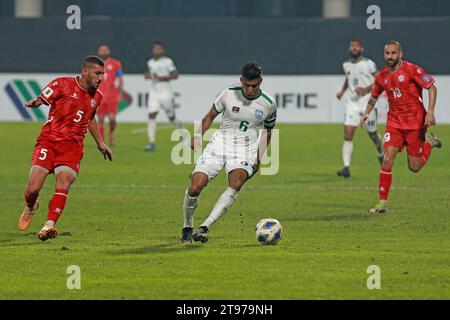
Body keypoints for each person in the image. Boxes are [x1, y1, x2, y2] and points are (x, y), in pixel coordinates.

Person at [179, 61, 277, 244]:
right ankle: (187, 226)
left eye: (254, 86)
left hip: (245, 150)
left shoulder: (269, 104)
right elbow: (210, 116)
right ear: (241, 80)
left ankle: (204, 227)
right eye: (246, 85)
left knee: (236, 182)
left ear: (261, 82)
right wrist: (198, 135)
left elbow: (268, 131)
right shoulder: (228, 93)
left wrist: (258, 159)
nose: (249, 90)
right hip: (220, 144)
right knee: (195, 187)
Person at [17, 56, 113, 241]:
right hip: (49, 141)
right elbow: (42, 98)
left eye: (102, 74)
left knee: (64, 183)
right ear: (85, 71)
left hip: (72, 146)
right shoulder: (62, 84)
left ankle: (49, 225)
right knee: (32, 189)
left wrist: (100, 142)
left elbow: (89, 117)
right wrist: (36, 102)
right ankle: (31, 206)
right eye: (97, 73)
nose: (101, 78)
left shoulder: (97, 96)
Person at [361, 40, 441, 213]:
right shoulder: (381, 76)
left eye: (393, 53)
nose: (390, 56)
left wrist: (431, 112)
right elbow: (374, 96)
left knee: (415, 167)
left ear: (400, 54)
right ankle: (382, 203)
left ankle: (429, 143)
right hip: (395, 123)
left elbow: (432, 87)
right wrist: (366, 112)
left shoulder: (412, 70)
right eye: (387, 53)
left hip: (415, 124)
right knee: (387, 158)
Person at [336, 39, 383, 178]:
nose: (354, 48)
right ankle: (346, 167)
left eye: (356, 46)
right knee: (347, 136)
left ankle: (381, 153)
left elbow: (380, 80)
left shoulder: (369, 64)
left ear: (362, 49)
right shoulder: (346, 65)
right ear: (349, 49)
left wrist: (366, 89)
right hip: (352, 105)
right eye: (352, 46)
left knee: (373, 135)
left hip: (368, 105)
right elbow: (348, 78)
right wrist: (343, 91)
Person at [144, 41, 183, 151]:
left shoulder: (168, 62)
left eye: (158, 49)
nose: (156, 50)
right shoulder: (150, 62)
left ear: (163, 50)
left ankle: (182, 132)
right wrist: (148, 76)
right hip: (154, 92)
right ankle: (151, 143)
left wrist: (162, 77)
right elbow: (151, 75)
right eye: (155, 48)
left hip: (166, 92)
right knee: (151, 114)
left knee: (171, 118)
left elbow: (175, 75)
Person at [96, 44, 124, 147]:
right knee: (100, 119)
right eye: (101, 50)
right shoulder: (94, 65)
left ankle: (111, 134)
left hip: (112, 95)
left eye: (105, 50)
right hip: (99, 96)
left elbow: (120, 79)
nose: (103, 52)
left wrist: (120, 93)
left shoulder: (116, 64)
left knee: (112, 118)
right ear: (99, 52)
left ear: (108, 51)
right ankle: (101, 141)